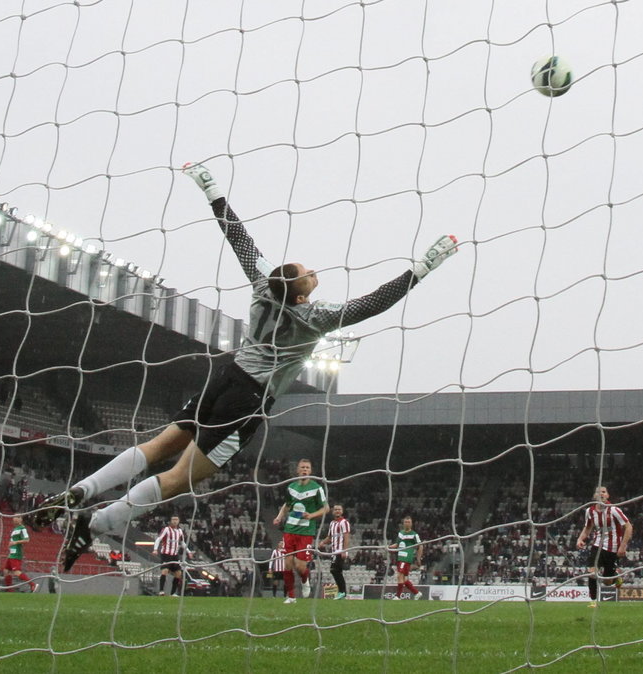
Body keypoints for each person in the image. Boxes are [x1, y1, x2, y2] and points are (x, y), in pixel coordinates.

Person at [30, 162, 460, 571]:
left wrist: (211, 190)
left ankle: (80, 492)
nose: (313, 271)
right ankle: (95, 523)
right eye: (307, 272)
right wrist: (423, 268)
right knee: (180, 477)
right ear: (299, 292)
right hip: (249, 399)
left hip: (226, 378)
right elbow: (372, 304)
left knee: (157, 447)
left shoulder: (261, 285)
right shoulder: (316, 317)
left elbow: (237, 237)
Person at [274, 459, 328, 604]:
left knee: (300, 566)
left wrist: (311, 515)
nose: (304, 470)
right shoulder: (291, 487)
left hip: (306, 531)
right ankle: (291, 596)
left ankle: (305, 580)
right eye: (302, 467)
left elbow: (326, 508)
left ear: (310, 471)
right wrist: (279, 517)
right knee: (287, 564)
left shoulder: (316, 488)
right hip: (290, 529)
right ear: (297, 470)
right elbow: (287, 505)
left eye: (307, 468)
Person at [575, 485, 632, 608]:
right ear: (594, 496)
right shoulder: (589, 512)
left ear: (608, 495)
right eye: (598, 492)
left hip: (613, 548)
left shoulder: (614, 510)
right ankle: (593, 601)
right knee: (591, 572)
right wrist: (580, 539)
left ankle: (616, 575)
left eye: (604, 492)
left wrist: (623, 546)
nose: (601, 494)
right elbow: (588, 528)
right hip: (597, 545)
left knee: (607, 582)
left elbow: (628, 527)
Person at [320, 503, 351, 600]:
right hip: (334, 551)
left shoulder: (344, 522)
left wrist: (344, 551)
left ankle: (342, 592)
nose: (337, 511)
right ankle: (342, 593)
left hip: (340, 550)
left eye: (339, 509)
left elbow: (346, 537)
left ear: (342, 511)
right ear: (333, 511)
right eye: (335, 509)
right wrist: (322, 543)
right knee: (337, 571)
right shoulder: (332, 523)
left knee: (334, 570)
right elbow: (330, 537)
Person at [389, 516, 422, 600]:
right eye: (405, 522)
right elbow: (397, 544)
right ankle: (417, 593)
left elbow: (420, 546)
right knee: (404, 578)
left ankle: (397, 596)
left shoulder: (414, 535)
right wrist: (389, 547)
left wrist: (418, 558)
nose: (407, 523)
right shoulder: (401, 533)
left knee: (399, 575)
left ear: (411, 524)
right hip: (400, 557)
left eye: (409, 522)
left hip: (406, 557)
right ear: (403, 523)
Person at [154, 516, 188, 597]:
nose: (175, 521)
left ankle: (173, 593)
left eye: (176, 519)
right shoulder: (166, 529)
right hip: (166, 554)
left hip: (175, 556)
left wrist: (188, 551)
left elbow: (182, 542)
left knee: (178, 573)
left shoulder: (179, 531)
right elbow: (159, 539)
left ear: (179, 521)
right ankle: (161, 591)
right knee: (164, 571)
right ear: (170, 521)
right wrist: (155, 549)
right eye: (173, 519)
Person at [2, 516, 38, 593]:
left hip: (16, 553)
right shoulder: (15, 529)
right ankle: (9, 590)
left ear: (21, 519)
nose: (14, 518)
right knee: (6, 571)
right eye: (14, 517)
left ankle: (32, 584)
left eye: (17, 517)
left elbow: (27, 540)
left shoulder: (22, 528)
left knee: (16, 572)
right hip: (12, 553)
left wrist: (16, 542)